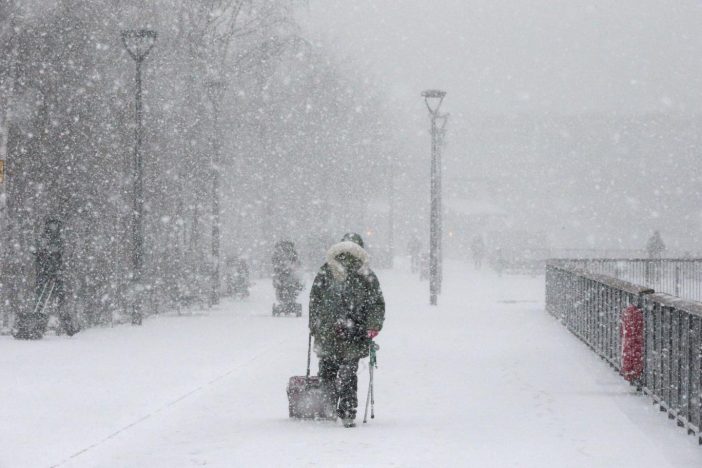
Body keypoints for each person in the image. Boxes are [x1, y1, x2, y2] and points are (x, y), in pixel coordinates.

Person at [309, 233, 385, 428]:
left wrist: (314, 325)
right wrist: (373, 325)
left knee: (327, 369)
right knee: (349, 372)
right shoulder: (366, 273)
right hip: (355, 330)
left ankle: (328, 406)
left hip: (328, 330)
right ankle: (348, 411)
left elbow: (315, 300)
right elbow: (376, 303)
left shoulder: (326, 270)